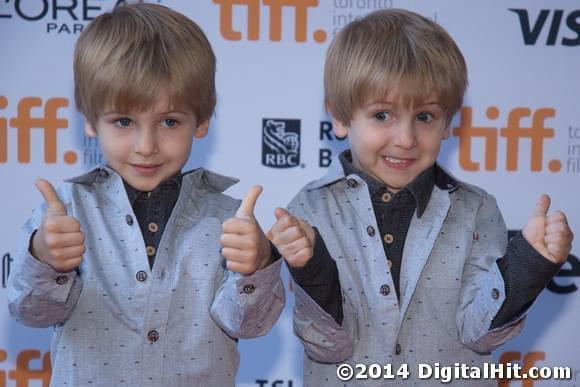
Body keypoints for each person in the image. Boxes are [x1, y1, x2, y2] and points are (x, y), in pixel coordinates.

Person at [269, 8, 573, 386]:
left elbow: (481, 335)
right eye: (382, 116)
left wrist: (529, 263)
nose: (406, 139)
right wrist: (312, 267)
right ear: (340, 116)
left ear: (447, 123)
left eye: (425, 117)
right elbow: (329, 347)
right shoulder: (311, 209)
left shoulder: (477, 210)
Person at [7, 3, 284, 386]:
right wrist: (45, 260)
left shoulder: (231, 221)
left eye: (169, 121)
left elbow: (250, 325)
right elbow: (31, 313)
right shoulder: (63, 217)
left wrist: (258, 266)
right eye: (123, 121)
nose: (146, 145)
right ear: (89, 119)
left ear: (202, 120)